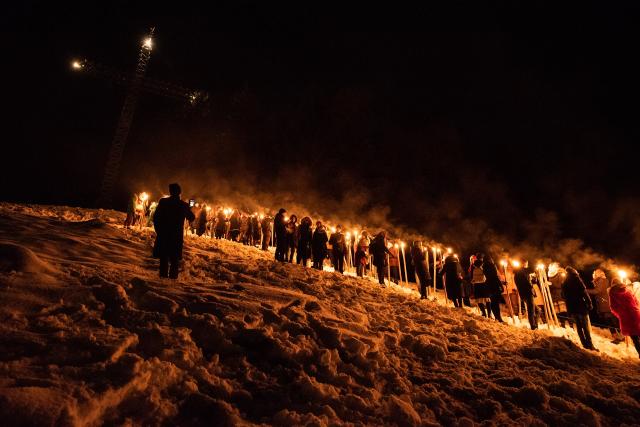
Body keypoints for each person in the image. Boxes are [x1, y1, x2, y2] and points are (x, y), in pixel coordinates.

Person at [152, 183, 195, 279]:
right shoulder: (183, 205)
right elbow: (191, 217)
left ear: (170, 192)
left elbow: (156, 218)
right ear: (180, 192)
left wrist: (159, 231)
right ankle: (172, 282)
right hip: (176, 236)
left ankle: (162, 279)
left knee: (164, 258)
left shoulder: (163, 202)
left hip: (164, 235)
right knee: (174, 260)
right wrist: (188, 209)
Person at [562, 266, 597, 351]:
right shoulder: (577, 279)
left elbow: (563, 296)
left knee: (579, 326)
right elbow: (584, 292)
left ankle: (584, 344)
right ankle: (590, 345)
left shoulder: (564, 282)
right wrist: (589, 303)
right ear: (574, 272)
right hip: (580, 306)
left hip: (572, 307)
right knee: (585, 326)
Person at [608, 277, 640, 358]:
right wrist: (635, 308)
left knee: (635, 338)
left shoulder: (612, 292)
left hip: (625, 317)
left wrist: (620, 314)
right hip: (635, 313)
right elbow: (636, 301)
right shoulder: (627, 289)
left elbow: (613, 307)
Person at [590, 270, 623, 342]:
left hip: (606, 304)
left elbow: (597, 291)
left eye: (594, 273)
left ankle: (621, 336)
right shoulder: (598, 281)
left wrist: (585, 290)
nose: (593, 275)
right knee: (609, 321)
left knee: (612, 321)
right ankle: (616, 337)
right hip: (604, 304)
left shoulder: (602, 280)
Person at [514, 260, 538, 330]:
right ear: (523, 264)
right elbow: (532, 269)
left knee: (537, 310)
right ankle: (533, 326)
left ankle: (535, 324)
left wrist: (534, 279)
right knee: (531, 310)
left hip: (526, 293)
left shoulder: (522, 272)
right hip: (527, 293)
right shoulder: (521, 271)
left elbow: (531, 281)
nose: (527, 265)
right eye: (526, 263)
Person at [483, 256, 504, 322]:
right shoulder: (492, 265)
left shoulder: (484, 266)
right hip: (494, 284)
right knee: (496, 302)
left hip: (488, 284)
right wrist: (501, 285)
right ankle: (498, 317)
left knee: (493, 301)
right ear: (490, 260)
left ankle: (496, 317)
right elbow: (495, 276)